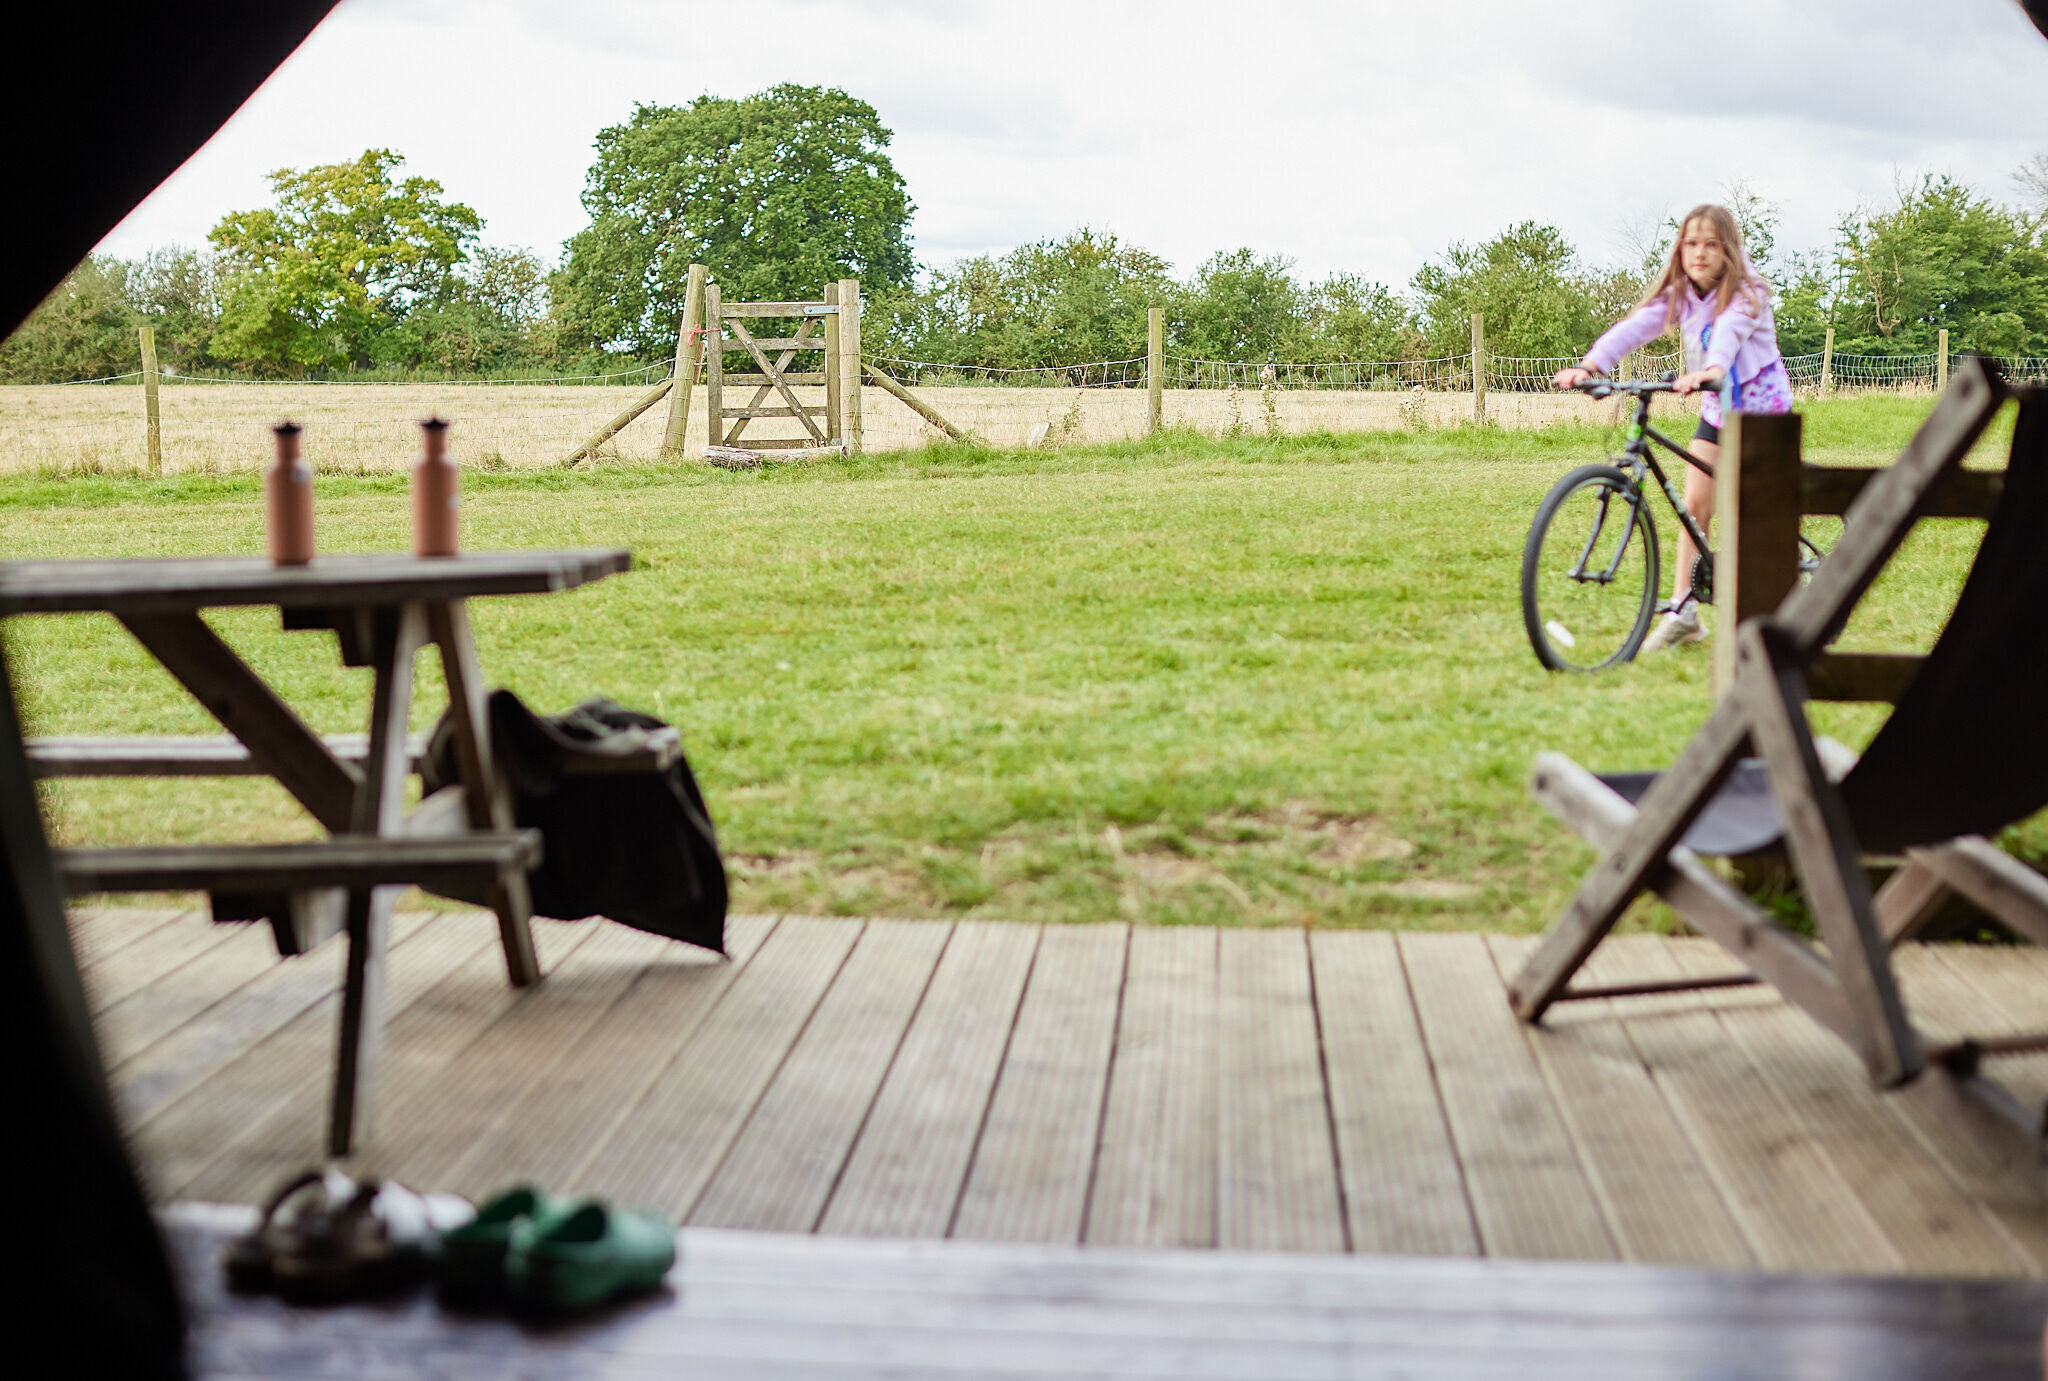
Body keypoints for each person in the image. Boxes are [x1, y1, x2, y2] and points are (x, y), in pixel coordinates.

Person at [1553, 204, 1794, 651]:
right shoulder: (1682, 295)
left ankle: (1785, 598)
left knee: (1756, 515)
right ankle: (1683, 612)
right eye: (1691, 243)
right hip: (1717, 409)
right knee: (1694, 506)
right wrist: (1590, 366)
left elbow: (1729, 332)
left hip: (1763, 410)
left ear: (1728, 250)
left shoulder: (1748, 292)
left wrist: (1712, 369)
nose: (1699, 253)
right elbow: (1635, 328)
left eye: (1711, 244)